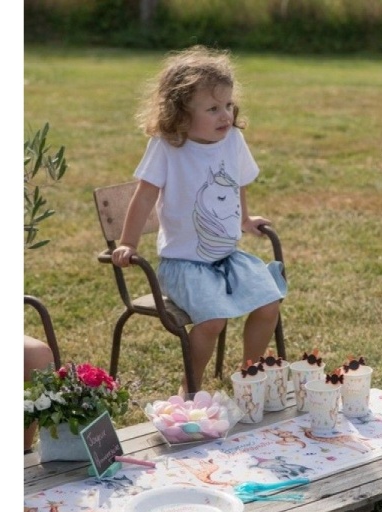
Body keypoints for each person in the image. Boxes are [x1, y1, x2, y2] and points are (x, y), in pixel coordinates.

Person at [111, 45, 287, 392]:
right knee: (212, 319)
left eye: (228, 105)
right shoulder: (168, 146)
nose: (225, 116)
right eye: (213, 109)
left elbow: (236, 181)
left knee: (269, 302)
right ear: (181, 114)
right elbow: (144, 196)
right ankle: (189, 389)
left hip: (228, 257)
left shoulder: (233, 139)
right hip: (184, 265)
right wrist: (128, 242)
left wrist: (244, 218)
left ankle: (249, 376)